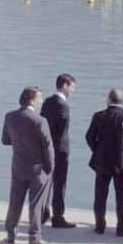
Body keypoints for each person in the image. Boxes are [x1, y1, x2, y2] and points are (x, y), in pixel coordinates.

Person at [1, 87, 56, 244]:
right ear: (32, 100)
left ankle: (10, 234)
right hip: (37, 168)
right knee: (36, 203)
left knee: (15, 201)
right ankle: (34, 236)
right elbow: (48, 146)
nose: (41, 101)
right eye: (39, 98)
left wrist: (20, 142)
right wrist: (50, 168)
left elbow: (5, 140)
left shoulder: (10, 117)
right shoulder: (40, 121)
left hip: (18, 165)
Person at [85, 89, 123, 236]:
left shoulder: (99, 116)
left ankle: (100, 225)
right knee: (122, 196)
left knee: (100, 195)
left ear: (108, 100)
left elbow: (89, 137)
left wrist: (97, 150)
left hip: (102, 161)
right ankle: (122, 227)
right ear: (122, 101)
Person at [41, 74, 76, 228]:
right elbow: (61, 132)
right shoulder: (63, 106)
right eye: (72, 86)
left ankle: (42, 212)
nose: (73, 90)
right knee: (60, 184)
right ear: (65, 85)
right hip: (60, 150)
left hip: (45, 148)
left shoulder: (47, 103)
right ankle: (58, 215)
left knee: (45, 182)